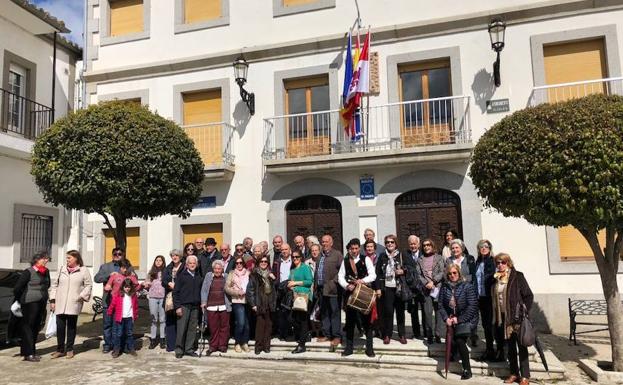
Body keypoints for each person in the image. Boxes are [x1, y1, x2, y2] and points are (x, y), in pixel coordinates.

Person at [493, 253, 534, 385]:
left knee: (521, 347)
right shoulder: (496, 279)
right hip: (503, 317)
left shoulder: (518, 276)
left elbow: (528, 295)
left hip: (517, 317)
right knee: (510, 348)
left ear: (508, 263)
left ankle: (525, 376)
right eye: (498, 263)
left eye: (503, 262)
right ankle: (514, 373)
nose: (500, 265)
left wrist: (523, 311)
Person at [438, 264, 479, 380]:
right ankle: (454, 354)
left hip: (467, 318)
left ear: (459, 273)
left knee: (460, 340)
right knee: (454, 339)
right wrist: (446, 318)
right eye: (450, 273)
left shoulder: (467, 286)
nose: (452, 275)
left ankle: (467, 370)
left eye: (454, 273)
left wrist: (459, 319)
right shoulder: (445, 287)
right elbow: (440, 305)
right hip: (452, 318)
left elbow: (472, 307)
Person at [49, 250, 93, 359]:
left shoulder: (83, 270)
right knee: (60, 327)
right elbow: (54, 285)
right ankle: (60, 349)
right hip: (60, 302)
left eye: (69, 258)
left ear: (76, 258)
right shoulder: (62, 269)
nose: (67, 260)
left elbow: (88, 285)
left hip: (74, 303)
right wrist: (53, 300)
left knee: (71, 327)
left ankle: (69, 349)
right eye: (67, 258)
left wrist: (81, 296)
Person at [339, 238, 376, 357]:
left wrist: (362, 280)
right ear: (349, 249)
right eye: (352, 249)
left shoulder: (366, 259)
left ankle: (369, 348)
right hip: (350, 294)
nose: (354, 251)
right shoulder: (345, 261)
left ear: (359, 248)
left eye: (356, 248)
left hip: (363, 293)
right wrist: (346, 285)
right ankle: (349, 348)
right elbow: (340, 276)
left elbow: (373, 275)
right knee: (350, 322)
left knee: (367, 323)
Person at [375, 234, 415, 344]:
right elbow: (377, 273)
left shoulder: (402, 255)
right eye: (387, 242)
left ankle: (402, 334)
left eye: (392, 242)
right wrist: (378, 288)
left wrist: (403, 271)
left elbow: (412, 268)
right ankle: (387, 334)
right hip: (387, 288)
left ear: (396, 243)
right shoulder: (382, 256)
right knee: (388, 312)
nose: (389, 244)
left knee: (400, 312)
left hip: (399, 288)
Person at [13, 252, 51, 362]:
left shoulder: (46, 271)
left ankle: (30, 351)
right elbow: (17, 288)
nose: (46, 261)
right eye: (44, 258)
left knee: (35, 326)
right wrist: (20, 299)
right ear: (37, 260)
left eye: (47, 259)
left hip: (41, 302)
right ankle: (28, 353)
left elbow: (47, 285)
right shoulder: (28, 272)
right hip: (29, 303)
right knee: (28, 327)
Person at [94, 247, 128, 353]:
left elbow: (132, 279)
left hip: (121, 301)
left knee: (118, 324)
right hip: (108, 300)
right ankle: (108, 344)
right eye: (115, 254)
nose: (117, 256)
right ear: (112, 255)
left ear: (123, 255)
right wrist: (108, 276)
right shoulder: (105, 266)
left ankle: (117, 345)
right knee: (107, 324)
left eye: (119, 254)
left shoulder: (125, 267)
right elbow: (96, 279)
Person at [415, 239, 447, 344]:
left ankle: (438, 334)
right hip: (426, 290)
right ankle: (429, 334)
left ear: (432, 246)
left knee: (438, 312)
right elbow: (418, 274)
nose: (426, 247)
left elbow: (443, 272)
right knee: (427, 313)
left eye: (428, 245)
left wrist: (433, 282)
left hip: (437, 287)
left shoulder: (439, 258)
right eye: (424, 245)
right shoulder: (420, 259)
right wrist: (426, 283)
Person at [315, 234, 343, 350]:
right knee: (324, 312)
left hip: (333, 289)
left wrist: (333, 282)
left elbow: (342, 271)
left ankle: (336, 336)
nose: (324, 244)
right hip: (321, 289)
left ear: (331, 243)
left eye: (327, 241)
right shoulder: (320, 255)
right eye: (323, 242)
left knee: (334, 312)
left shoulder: (337, 255)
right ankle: (327, 334)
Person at [474, 239, 500, 361]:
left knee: (492, 325)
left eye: (486, 246)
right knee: (485, 325)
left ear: (489, 248)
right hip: (481, 297)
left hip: (490, 298)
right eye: (481, 247)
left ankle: (498, 350)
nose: (483, 248)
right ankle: (489, 349)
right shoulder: (478, 261)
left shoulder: (493, 261)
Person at [173, 255, 202, 358]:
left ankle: (189, 349)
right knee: (182, 328)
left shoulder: (199, 277)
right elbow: (175, 293)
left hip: (195, 306)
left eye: (194, 263)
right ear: (187, 264)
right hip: (183, 306)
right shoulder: (181, 276)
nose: (192, 265)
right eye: (190, 263)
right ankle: (179, 350)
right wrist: (177, 307)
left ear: (197, 264)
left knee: (192, 329)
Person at [247, 255, 277, 354]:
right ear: (258, 263)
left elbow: (275, 290)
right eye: (261, 261)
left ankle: (266, 346)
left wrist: (274, 279)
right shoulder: (254, 275)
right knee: (260, 326)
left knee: (269, 325)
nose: (264, 263)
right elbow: (250, 291)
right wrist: (253, 304)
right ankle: (258, 347)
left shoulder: (271, 275)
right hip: (259, 302)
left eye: (265, 261)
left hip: (269, 302)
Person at [201, 260, 231, 354]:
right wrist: (203, 301)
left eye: (219, 268)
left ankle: (222, 345)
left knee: (224, 327)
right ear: (213, 269)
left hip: (224, 305)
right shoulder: (208, 276)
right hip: (211, 306)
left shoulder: (226, 276)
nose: (217, 270)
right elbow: (204, 290)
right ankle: (213, 345)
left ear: (222, 269)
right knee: (213, 327)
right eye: (215, 269)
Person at [288, 250, 314, 353]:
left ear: (301, 257)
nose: (295, 259)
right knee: (292, 319)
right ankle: (305, 335)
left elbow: (309, 281)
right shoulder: (293, 269)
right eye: (293, 257)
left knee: (303, 320)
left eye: (297, 257)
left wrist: (296, 283)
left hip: (304, 297)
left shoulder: (305, 268)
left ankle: (301, 345)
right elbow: (290, 281)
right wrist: (290, 285)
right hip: (295, 297)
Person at [107, 278, 139, 358]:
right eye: (125, 287)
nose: (127, 288)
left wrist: (135, 315)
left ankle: (131, 348)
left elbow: (135, 306)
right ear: (122, 287)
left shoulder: (133, 295)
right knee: (119, 334)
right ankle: (116, 350)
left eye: (128, 287)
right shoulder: (118, 295)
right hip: (120, 317)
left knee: (130, 334)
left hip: (129, 317)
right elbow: (113, 304)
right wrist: (109, 312)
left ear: (131, 287)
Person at [225, 256, 250, 353]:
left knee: (247, 325)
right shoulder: (231, 273)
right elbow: (226, 288)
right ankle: (237, 343)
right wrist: (236, 292)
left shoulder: (248, 273)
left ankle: (245, 342)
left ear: (243, 263)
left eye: (240, 263)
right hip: (237, 300)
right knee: (240, 323)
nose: (239, 265)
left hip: (247, 301)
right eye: (237, 263)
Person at [144, 255, 167, 349]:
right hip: (153, 297)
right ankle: (153, 340)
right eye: (156, 260)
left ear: (163, 262)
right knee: (153, 319)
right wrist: (147, 285)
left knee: (162, 319)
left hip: (162, 297)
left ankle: (162, 339)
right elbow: (146, 283)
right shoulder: (151, 273)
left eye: (160, 260)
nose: (158, 262)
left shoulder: (166, 272)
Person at [163, 249, 183, 352]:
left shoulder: (184, 267)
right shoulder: (168, 267)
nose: (174, 257)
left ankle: (179, 345)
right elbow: (163, 280)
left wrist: (178, 286)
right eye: (173, 256)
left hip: (180, 297)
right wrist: (168, 284)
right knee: (170, 322)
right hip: (170, 298)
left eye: (176, 255)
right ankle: (171, 345)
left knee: (180, 322)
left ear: (180, 256)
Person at [272, 243, 293, 340]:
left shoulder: (294, 261)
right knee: (280, 312)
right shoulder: (277, 262)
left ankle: (289, 333)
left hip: (291, 289)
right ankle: (282, 333)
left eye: (286, 249)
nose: (284, 251)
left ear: (289, 250)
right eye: (282, 250)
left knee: (290, 313)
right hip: (280, 289)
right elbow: (274, 274)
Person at [405, 235, 423, 339]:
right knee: (413, 311)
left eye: (414, 243)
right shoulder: (405, 255)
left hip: (423, 287)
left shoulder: (423, 254)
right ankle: (416, 333)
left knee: (425, 311)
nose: (413, 246)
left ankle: (426, 332)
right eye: (411, 244)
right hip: (411, 287)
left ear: (418, 244)